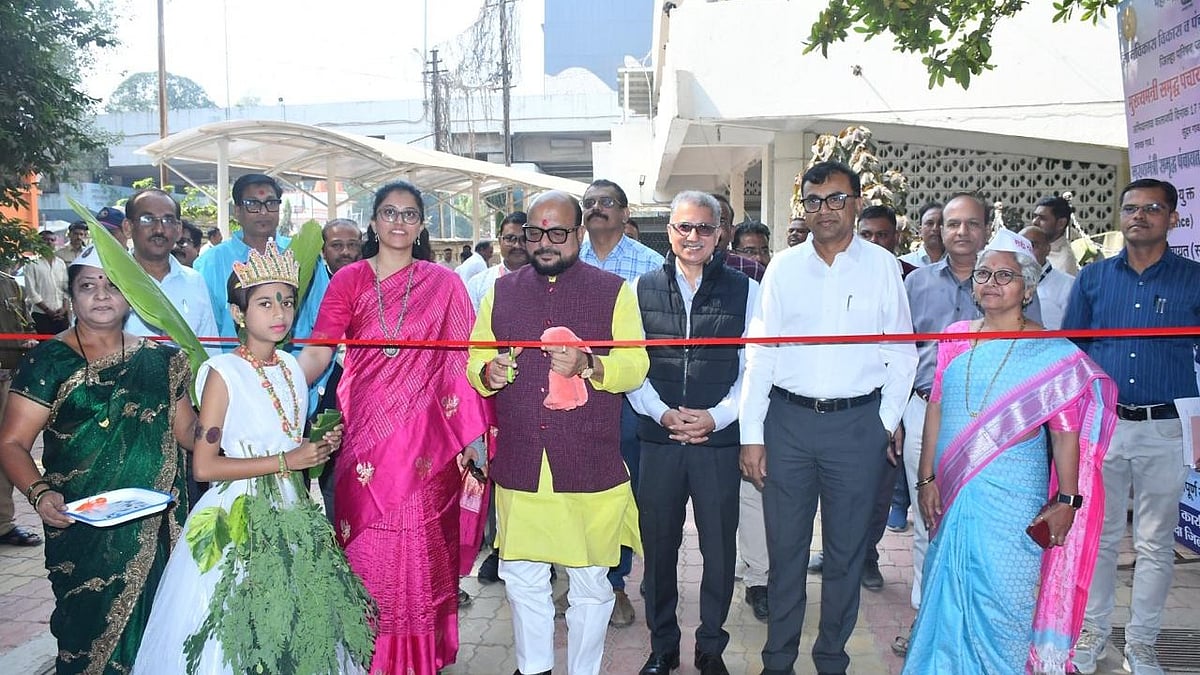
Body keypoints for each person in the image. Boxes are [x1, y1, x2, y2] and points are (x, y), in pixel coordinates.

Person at [134, 241, 374, 674]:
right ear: (239, 312)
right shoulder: (223, 374)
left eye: (287, 302)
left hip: (291, 510)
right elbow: (204, 466)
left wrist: (319, 444)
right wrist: (288, 461)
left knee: (295, 629)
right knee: (235, 628)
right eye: (265, 303)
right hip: (236, 513)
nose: (279, 312)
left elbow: (288, 442)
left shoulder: (291, 368)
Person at [299, 181, 492, 675]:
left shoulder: (445, 284)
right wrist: (278, 382)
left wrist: (471, 437)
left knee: (423, 547)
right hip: (365, 436)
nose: (399, 222)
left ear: (422, 224)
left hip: (429, 440)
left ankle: (422, 656)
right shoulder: (349, 281)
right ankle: (368, 652)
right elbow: (320, 348)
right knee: (369, 545)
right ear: (373, 221)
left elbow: (463, 361)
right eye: (389, 212)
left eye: (409, 214)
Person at [904, 229, 1117, 673]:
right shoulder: (955, 336)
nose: (991, 283)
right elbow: (937, 407)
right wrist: (925, 479)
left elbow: (1064, 433)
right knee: (947, 589)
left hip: (1014, 493)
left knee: (1005, 598)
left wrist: (1067, 500)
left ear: (1028, 287)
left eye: (1005, 275)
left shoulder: (1049, 350)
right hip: (954, 487)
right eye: (983, 274)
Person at [740, 161, 917, 675]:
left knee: (845, 554)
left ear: (856, 203)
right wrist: (752, 434)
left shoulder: (882, 267)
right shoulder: (783, 267)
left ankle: (832, 658)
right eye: (814, 201)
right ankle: (778, 661)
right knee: (786, 554)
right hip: (788, 426)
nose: (825, 210)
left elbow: (901, 352)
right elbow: (760, 354)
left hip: (857, 427)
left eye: (836, 199)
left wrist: (883, 423)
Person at [467, 189, 649, 675]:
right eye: (535, 233)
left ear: (580, 234)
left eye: (558, 233)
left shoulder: (614, 291)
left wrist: (590, 364)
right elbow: (476, 357)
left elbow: (635, 365)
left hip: (589, 462)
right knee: (522, 575)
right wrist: (489, 373)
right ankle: (535, 668)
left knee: (590, 581)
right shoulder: (501, 291)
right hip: (522, 461)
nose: (545, 242)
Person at [0, 247, 194, 674]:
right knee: (86, 637)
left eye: (112, 285)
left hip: (157, 524)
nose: (102, 295)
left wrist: (237, 403)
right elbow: (11, 442)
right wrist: (39, 493)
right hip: (81, 526)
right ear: (71, 296)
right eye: (88, 285)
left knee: (160, 635)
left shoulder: (164, 360)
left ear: (132, 293)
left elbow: (190, 435)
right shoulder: (49, 361)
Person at [892, 193, 1045, 656]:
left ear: (986, 229)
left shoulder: (1013, 282)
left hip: (1001, 428)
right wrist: (895, 416)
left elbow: (1034, 363)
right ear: (939, 229)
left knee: (993, 535)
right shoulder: (915, 282)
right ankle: (927, 621)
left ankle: (988, 631)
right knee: (930, 519)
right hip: (926, 411)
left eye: (971, 224)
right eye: (952, 224)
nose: (961, 232)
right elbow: (898, 353)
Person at [1065, 178, 1200, 675]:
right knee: (1098, 538)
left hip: (1166, 428)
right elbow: (1074, 353)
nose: (1138, 216)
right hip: (1104, 426)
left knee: (1154, 543)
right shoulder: (1093, 278)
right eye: (1130, 208)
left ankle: (1142, 644)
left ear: (1173, 218)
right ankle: (1093, 633)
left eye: (1152, 208)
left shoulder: (1194, 279)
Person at [629, 191, 756, 675]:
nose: (694, 236)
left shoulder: (746, 290)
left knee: (719, 550)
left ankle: (710, 647)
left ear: (720, 232)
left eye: (705, 227)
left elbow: (754, 366)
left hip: (716, 442)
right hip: (659, 440)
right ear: (670, 230)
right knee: (659, 549)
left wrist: (718, 417)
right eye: (685, 226)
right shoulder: (638, 289)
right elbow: (631, 364)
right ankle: (662, 647)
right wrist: (661, 413)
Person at [579, 177, 664, 626]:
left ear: (625, 213)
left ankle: (615, 582)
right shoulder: (568, 260)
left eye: (606, 202)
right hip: (573, 395)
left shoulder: (650, 265)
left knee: (622, 488)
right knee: (579, 488)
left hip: (629, 397)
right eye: (589, 202)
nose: (597, 208)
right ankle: (582, 577)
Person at [196, 173, 320, 342]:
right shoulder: (210, 262)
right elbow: (204, 327)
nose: (263, 211)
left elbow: (325, 320)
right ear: (237, 211)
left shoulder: (304, 254)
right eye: (252, 204)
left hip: (298, 357)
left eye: (271, 203)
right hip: (230, 357)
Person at [308, 217, 363, 521]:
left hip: (359, 391)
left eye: (352, 245)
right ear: (323, 251)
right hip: (318, 387)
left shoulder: (372, 280)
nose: (345, 252)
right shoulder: (308, 286)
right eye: (337, 245)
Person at [122, 189, 220, 353]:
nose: (159, 229)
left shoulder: (194, 281)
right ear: (128, 227)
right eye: (148, 219)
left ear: (178, 229)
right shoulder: (113, 280)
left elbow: (210, 350)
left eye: (168, 220)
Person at [0, 267, 40, 548]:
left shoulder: (10, 284)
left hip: (7, 378)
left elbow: (26, 322)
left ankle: (3, 523)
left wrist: (30, 338)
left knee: (7, 449)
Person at [1019, 225, 1075, 330]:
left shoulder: (1068, 285)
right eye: (1020, 246)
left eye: (1032, 245)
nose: (1025, 251)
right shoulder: (1009, 285)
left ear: (1047, 249)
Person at [24, 229, 71, 335]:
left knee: (62, 343)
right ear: (37, 243)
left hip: (61, 314)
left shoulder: (60, 263)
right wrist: (48, 311)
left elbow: (65, 287)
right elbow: (31, 292)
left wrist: (64, 308)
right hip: (41, 314)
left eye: (52, 240)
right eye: (45, 240)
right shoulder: (31, 263)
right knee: (45, 344)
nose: (49, 242)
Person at [711, 194, 765, 282]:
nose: (712, 229)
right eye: (703, 223)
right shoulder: (685, 272)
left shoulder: (754, 271)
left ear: (732, 233)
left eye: (721, 221)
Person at [1032, 195, 1081, 276]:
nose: (1034, 222)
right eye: (1035, 216)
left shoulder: (1064, 261)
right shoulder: (1029, 246)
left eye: (1042, 218)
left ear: (1061, 223)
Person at [899, 202, 945, 268]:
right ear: (920, 230)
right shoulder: (903, 264)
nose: (935, 228)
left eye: (940, 224)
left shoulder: (958, 264)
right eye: (930, 223)